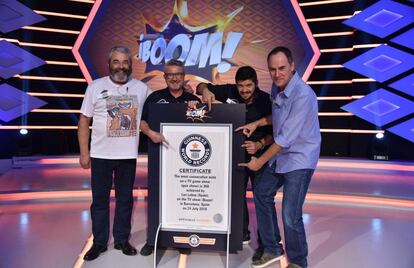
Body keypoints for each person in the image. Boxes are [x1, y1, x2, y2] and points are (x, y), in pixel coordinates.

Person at [237, 47, 321, 268]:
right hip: (282, 155)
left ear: (292, 66)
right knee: (262, 193)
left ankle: (298, 261)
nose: (277, 74)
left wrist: (259, 161)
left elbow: (285, 139)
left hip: (300, 157)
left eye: (282, 68)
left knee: (290, 214)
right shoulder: (276, 87)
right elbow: (278, 116)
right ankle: (273, 247)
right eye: (272, 69)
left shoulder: (303, 95)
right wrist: (257, 123)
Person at [78, 46, 151, 261]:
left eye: (125, 62)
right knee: (99, 201)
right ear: (109, 64)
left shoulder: (141, 88)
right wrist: (84, 153)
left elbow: (161, 104)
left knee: (125, 200)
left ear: (131, 65)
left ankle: (121, 240)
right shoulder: (95, 86)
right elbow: (84, 121)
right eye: (116, 62)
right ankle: (99, 242)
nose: (121, 66)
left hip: (127, 156)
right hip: (100, 155)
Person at [196, 66, 273, 260]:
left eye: (248, 85)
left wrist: (259, 143)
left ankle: (268, 243)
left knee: (262, 198)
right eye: (241, 86)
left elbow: (278, 131)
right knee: (236, 194)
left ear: (256, 83)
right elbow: (200, 86)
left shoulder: (266, 100)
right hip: (235, 154)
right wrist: (206, 91)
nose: (244, 90)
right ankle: (242, 233)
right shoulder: (230, 91)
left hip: (259, 154)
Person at [139, 59, 200, 256]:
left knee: (182, 199)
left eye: (178, 74)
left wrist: (196, 108)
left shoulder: (192, 99)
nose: (174, 78)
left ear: (184, 77)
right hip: (159, 157)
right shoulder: (155, 98)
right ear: (165, 77)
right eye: (170, 75)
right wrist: (150, 134)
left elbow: (203, 127)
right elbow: (142, 122)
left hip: (184, 160)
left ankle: (181, 239)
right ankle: (153, 240)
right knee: (157, 199)